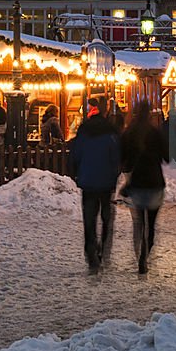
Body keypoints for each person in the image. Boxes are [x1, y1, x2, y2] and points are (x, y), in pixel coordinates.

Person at [69, 96, 120, 273]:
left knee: (89, 219)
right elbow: (116, 158)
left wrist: (77, 173)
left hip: (88, 181)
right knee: (106, 217)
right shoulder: (111, 133)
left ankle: (91, 252)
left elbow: (76, 155)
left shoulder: (83, 132)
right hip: (106, 182)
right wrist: (115, 175)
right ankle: (103, 249)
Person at [120, 101, 169, 274]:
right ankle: (145, 256)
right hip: (155, 182)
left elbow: (123, 157)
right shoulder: (155, 132)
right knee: (151, 224)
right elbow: (167, 157)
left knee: (139, 222)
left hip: (137, 183)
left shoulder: (130, 132)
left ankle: (139, 255)